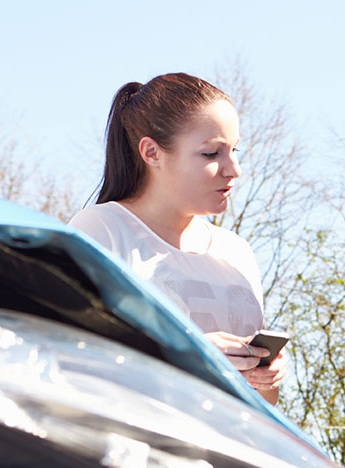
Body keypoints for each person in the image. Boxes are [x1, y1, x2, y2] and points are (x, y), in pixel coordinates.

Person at [69, 72, 285, 404]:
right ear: (151, 152)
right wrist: (189, 355)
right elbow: (73, 363)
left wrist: (266, 376)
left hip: (230, 450)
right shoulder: (102, 230)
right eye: (212, 154)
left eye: (235, 150)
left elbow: (264, 403)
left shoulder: (237, 251)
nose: (234, 169)